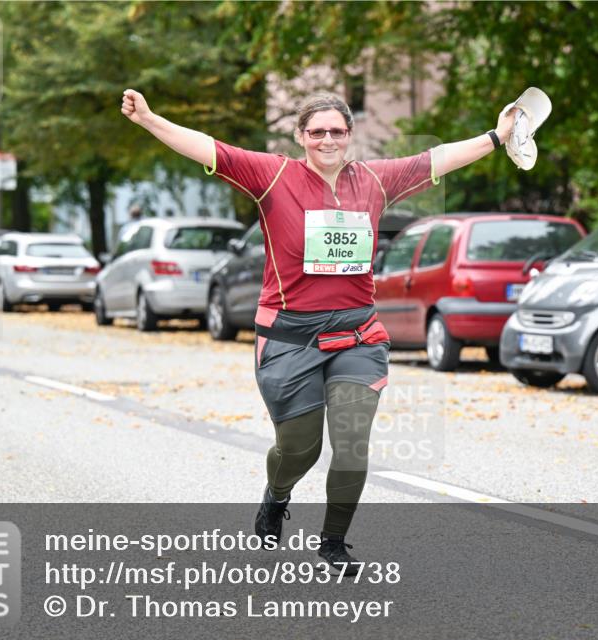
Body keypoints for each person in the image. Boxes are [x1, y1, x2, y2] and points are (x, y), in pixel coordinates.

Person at [121, 88, 520, 571]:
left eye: (337, 131)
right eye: (317, 132)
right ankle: (277, 493)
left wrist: (497, 137)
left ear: (349, 136)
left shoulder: (374, 179)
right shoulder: (272, 175)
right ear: (300, 136)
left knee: (352, 445)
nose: (327, 140)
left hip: (357, 336)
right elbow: (208, 147)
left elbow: (435, 159)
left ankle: (332, 542)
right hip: (290, 337)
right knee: (299, 450)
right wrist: (149, 119)